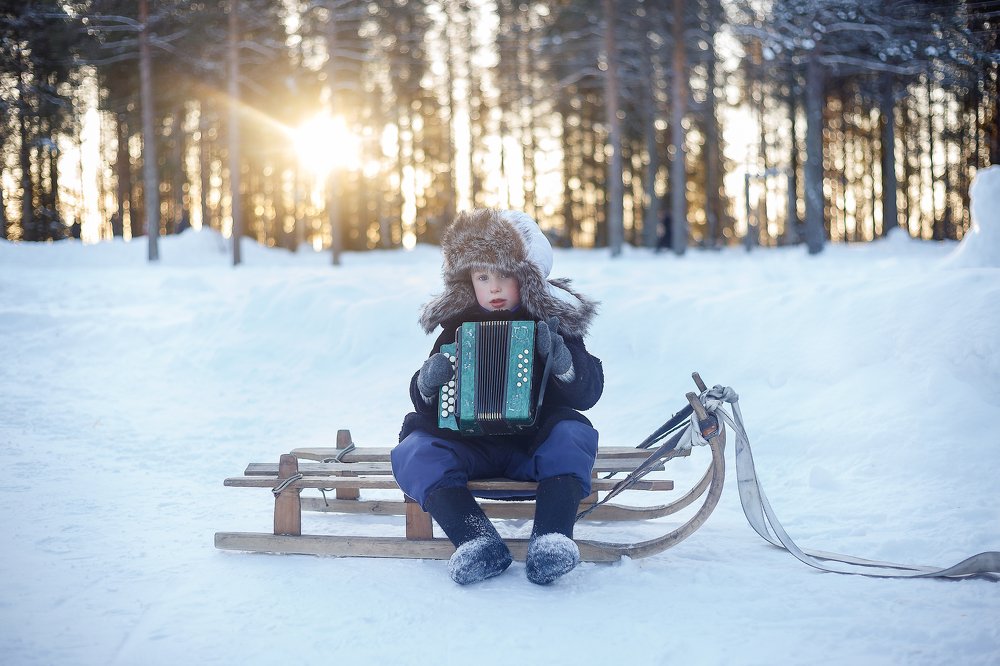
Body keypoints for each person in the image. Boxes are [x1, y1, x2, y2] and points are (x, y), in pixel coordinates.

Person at [391, 208, 604, 586]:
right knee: (414, 450)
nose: (493, 288)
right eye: (482, 277)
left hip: (532, 447)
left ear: (528, 277)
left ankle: (551, 539)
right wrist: (426, 383)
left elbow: (587, 392)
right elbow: (427, 402)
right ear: (468, 281)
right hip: (471, 447)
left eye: (505, 276)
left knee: (573, 435)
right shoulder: (456, 329)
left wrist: (564, 365)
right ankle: (476, 539)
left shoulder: (553, 324)